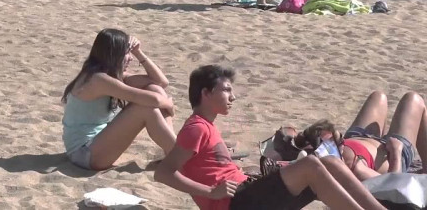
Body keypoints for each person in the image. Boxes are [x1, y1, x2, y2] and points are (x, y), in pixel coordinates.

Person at [156, 65, 388, 210]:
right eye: (226, 90)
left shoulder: (206, 125)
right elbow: (164, 172)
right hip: (236, 203)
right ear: (206, 93)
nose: (233, 97)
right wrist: (209, 192)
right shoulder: (196, 128)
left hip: (248, 193)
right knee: (310, 165)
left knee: (331, 162)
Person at [61, 29, 175, 170]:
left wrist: (138, 52)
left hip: (98, 144)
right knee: (145, 108)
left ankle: (173, 154)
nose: (130, 58)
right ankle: (179, 155)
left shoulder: (111, 76)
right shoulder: (98, 79)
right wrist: (168, 103)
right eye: (126, 53)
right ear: (113, 55)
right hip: (84, 154)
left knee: (155, 90)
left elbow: (161, 82)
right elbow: (153, 101)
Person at [301, 91, 427, 180]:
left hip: (358, 136)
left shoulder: (332, 151)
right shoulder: (356, 168)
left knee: (378, 96)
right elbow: (392, 183)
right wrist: (396, 151)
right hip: (390, 153)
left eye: (339, 137)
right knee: (414, 99)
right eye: (338, 141)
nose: (341, 142)